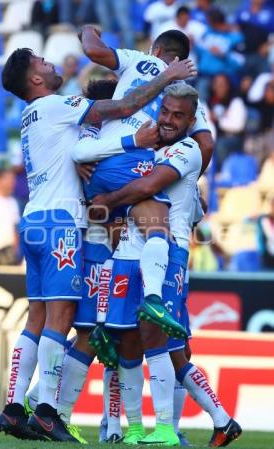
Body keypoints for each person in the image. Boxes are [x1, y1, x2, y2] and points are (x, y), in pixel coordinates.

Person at [0, 47, 193, 442]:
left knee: (36, 318)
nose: (51, 65)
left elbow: (77, 146)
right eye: (43, 63)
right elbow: (125, 105)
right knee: (61, 318)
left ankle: (15, 407)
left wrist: (85, 157)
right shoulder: (54, 105)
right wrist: (166, 76)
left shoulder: (32, 115)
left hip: (34, 218)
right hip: (61, 224)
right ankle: (48, 411)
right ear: (34, 80)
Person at [93, 84, 242, 448]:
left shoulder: (188, 148)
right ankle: (134, 429)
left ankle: (166, 428)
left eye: (179, 116)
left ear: (192, 120)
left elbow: (147, 187)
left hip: (168, 255)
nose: (170, 120)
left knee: (158, 340)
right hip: (130, 251)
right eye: (167, 112)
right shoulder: (151, 144)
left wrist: (105, 200)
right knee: (127, 340)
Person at [75, 27, 210, 343]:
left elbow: (94, 51)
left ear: (155, 49)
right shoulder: (182, 94)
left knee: (117, 244)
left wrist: (87, 31)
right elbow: (205, 144)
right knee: (157, 230)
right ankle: (152, 300)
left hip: (96, 173)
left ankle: (101, 322)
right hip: (130, 164)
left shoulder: (134, 61)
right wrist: (188, 181)